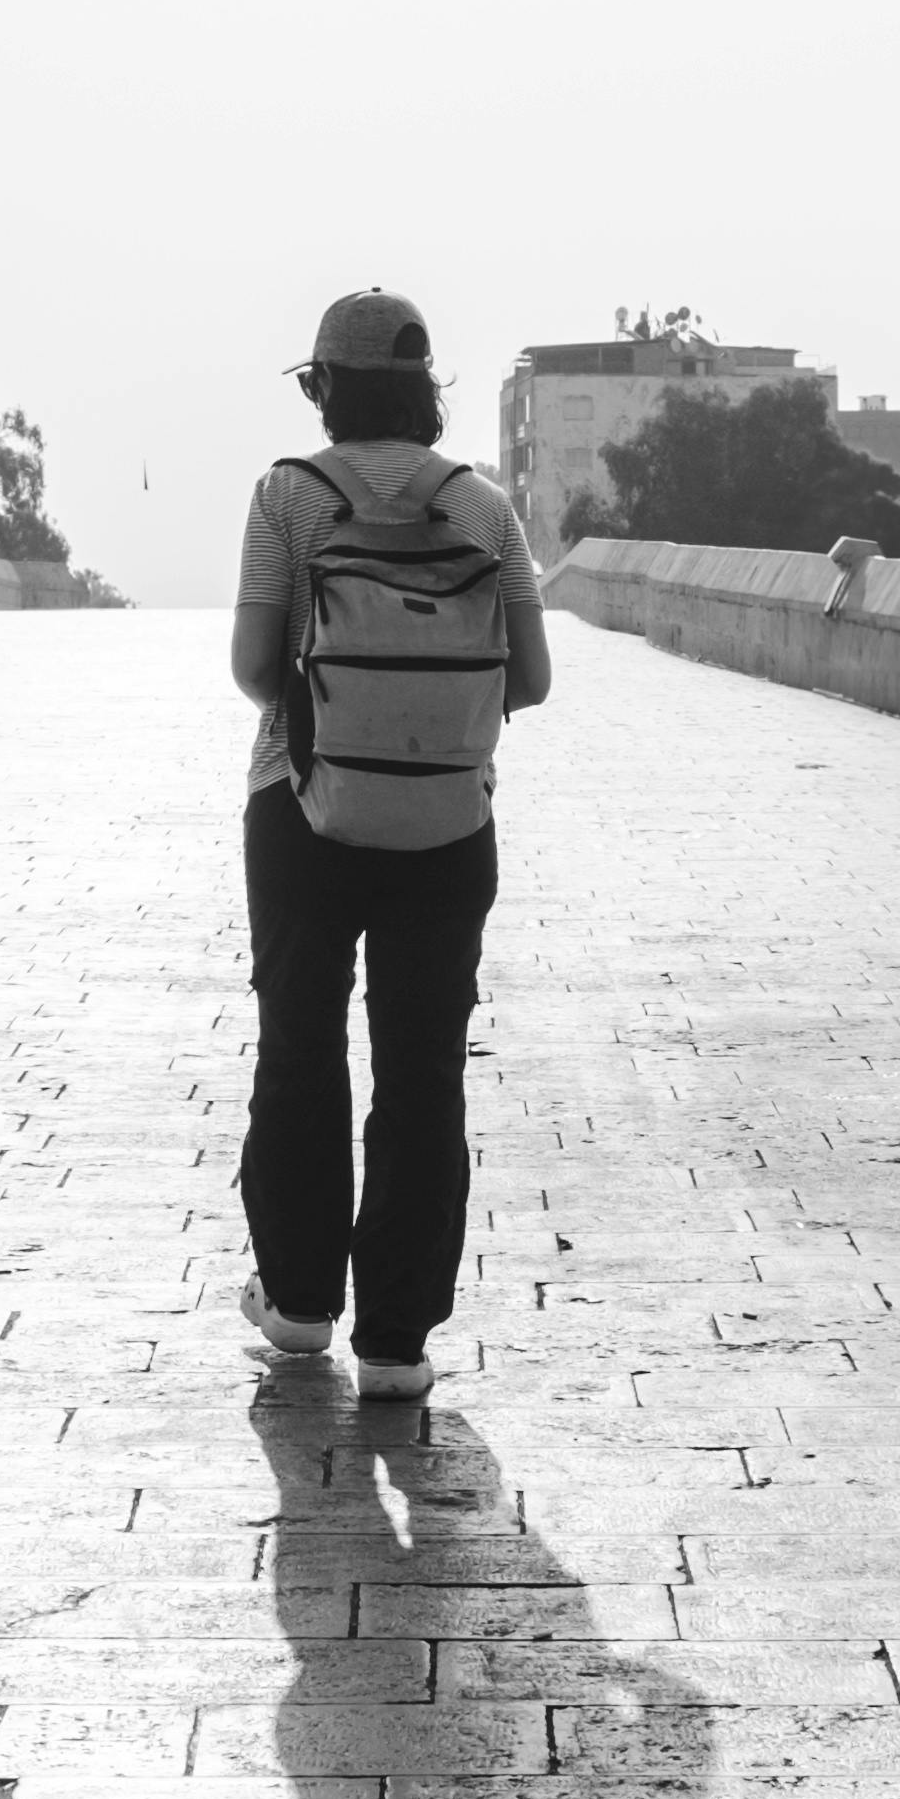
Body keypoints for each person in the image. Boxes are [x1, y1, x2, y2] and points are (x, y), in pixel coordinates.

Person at [228, 289, 552, 1397]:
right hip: (448, 825)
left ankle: (299, 1303)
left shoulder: (289, 497)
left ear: (325, 386)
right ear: (426, 391)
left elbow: (256, 670)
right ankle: (397, 1342)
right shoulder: (483, 508)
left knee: (300, 1045)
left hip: (301, 807)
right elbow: (533, 680)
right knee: (422, 1073)